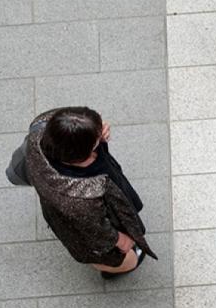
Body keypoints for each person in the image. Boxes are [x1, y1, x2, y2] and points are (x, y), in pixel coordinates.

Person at [25, 107, 157, 279]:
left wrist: (93, 131)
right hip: (95, 216)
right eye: (96, 137)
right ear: (83, 151)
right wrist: (120, 240)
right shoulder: (79, 200)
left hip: (87, 203)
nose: (102, 130)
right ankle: (115, 268)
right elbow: (96, 230)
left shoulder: (41, 128)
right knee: (123, 258)